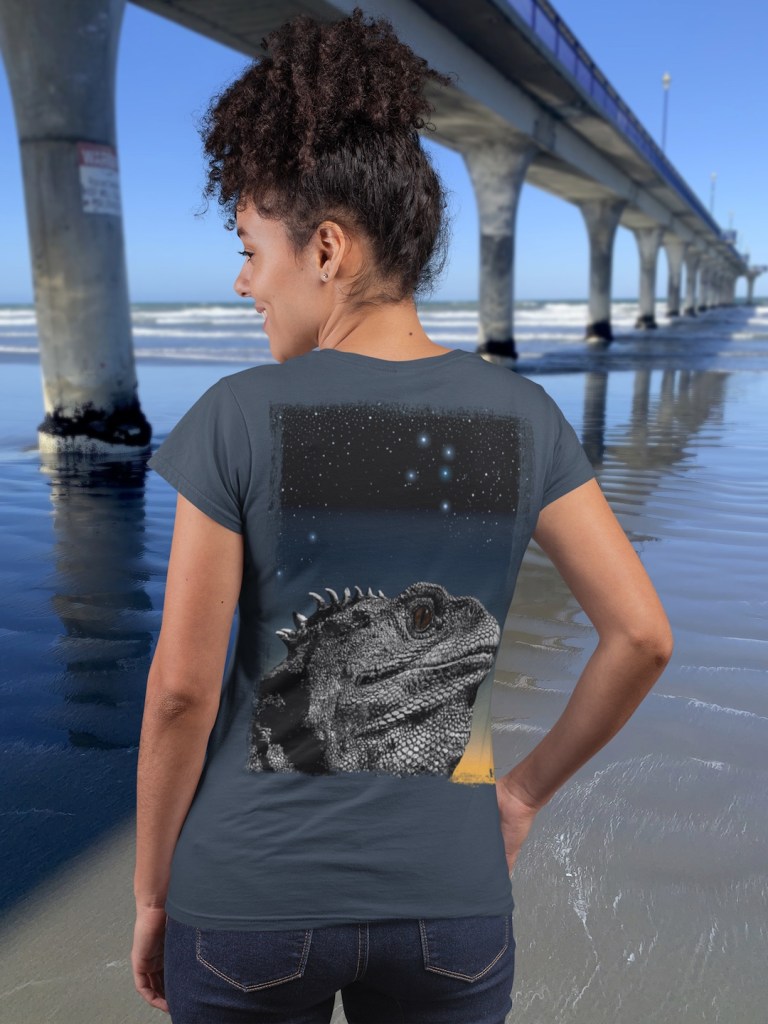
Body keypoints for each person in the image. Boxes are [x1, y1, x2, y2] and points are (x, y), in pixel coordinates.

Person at [131, 7, 673, 1023]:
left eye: (253, 248)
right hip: (452, 911)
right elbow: (642, 635)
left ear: (327, 249)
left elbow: (179, 693)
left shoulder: (236, 418)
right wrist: (521, 796)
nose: (244, 281)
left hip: (249, 902)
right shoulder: (523, 415)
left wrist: (153, 890)